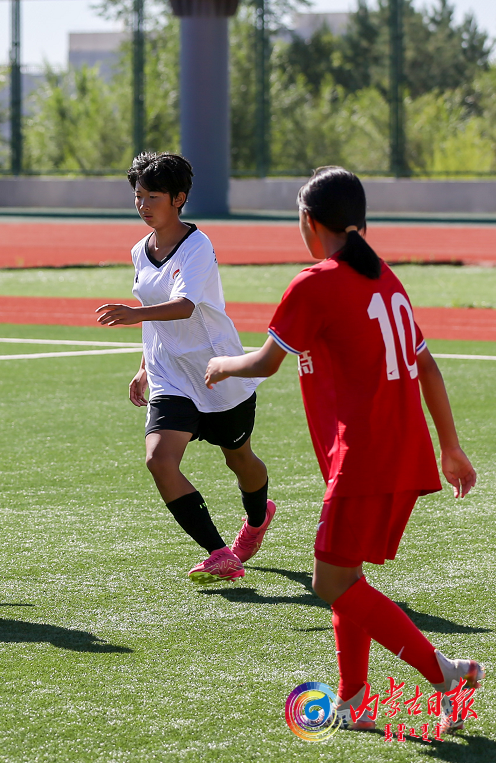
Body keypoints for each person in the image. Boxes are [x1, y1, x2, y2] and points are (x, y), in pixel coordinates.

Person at [205, 166, 482, 732]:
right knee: (346, 576)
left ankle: (444, 673)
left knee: (329, 583)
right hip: (401, 453)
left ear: (309, 221)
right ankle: (355, 700)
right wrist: (450, 447)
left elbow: (266, 363)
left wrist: (221, 364)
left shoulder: (315, 283)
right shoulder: (385, 278)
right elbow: (428, 367)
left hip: (366, 457)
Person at [96, 153, 276, 584]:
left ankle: (257, 520)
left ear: (178, 198)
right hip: (170, 378)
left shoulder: (198, 246)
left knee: (240, 459)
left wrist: (134, 315)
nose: (143, 205)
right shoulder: (140, 250)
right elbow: (153, 314)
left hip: (217, 372)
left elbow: (184, 306)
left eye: (153, 197)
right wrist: (144, 366)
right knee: (159, 460)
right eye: (138, 196)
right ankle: (219, 553)